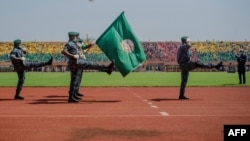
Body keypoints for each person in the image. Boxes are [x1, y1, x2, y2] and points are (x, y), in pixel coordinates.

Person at [62, 32, 114, 103]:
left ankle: (72, 96)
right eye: (76, 36)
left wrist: (90, 45)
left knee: (75, 80)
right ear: (72, 36)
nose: (77, 37)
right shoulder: (69, 43)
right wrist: (72, 56)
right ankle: (106, 68)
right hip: (76, 62)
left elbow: (83, 48)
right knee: (91, 64)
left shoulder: (75, 43)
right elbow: (63, 51)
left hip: (77, 62)